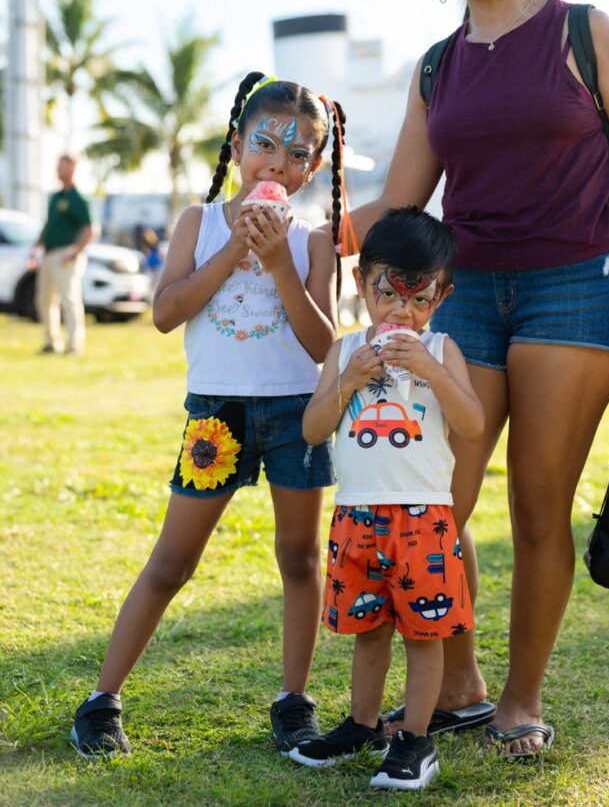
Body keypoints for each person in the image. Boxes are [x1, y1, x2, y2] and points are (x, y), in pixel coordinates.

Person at [345, 0, 609, 758]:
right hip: (468, 296)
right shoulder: (437, 65)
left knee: (539, 504)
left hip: (580, 285)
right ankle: (455, 680)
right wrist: (300, 235)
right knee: (434, 502)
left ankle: (520, 697)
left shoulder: (583, 31)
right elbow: (402, 204)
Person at [70, 73, 348, 758]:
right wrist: (235, 250)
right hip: (215, 415)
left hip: (296, 412)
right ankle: (103, 698)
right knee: (172, 559)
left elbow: (325, 346)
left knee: (299, 556)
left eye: (296, 153)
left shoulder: (314, 242)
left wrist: (280, 260)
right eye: (265, 145)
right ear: (236, 143)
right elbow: (165, 313)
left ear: (312, 170)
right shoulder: (200, 221)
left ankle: (293, 699)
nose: (276, 164)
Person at [289, 208, 484, 791]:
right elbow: (312, 428)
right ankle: (362, 724)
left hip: (423, 515)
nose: (403, 310)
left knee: (424, 633)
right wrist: (348, 378)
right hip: (357, 514)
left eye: (420, 299)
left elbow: (472, 424)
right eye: (389, 292)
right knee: (368, 628)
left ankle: (416, 739)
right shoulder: (345, 349)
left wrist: (428, 368)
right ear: (361, 283)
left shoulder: (443, 350)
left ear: (441, 297)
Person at [31, 154, 95, 355]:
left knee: (70, 299)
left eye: (63, 167)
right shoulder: (55, 197)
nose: (58, 170)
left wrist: (75, 252)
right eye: (58, 167)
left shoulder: (79, 198)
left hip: (67, 253)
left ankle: (75, 344)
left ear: (73, 168)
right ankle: (52, 342)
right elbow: (48, 225)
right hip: (49, 254)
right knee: (44, 299)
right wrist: (36, 249)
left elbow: (90, 229)